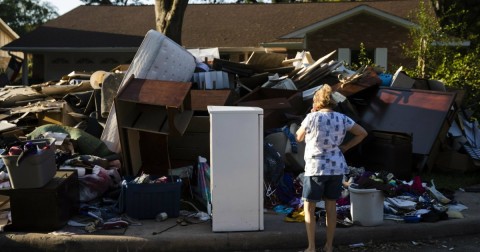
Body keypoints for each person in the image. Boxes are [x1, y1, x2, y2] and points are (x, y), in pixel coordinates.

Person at [295, 84, 367, 252]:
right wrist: (345, 147)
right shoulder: (342, 118)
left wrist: (311, 115)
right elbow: (362, 133)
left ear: (316, 102)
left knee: (309, 207)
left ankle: (311, 247)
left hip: (315, 168)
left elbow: (298, 137)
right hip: (336, 168)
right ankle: (329, 246)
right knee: (331, 206)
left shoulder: (311, 117)